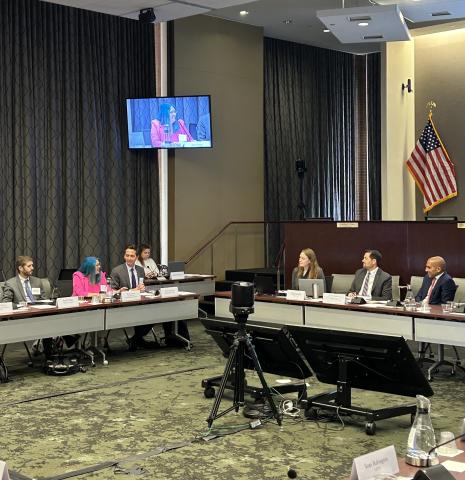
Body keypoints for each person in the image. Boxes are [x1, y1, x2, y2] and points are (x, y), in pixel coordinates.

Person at [110, 244, 157, 351]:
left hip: (140, 301)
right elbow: (113, 292)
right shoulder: (117, 271)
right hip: (124, 304)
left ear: (136, 257)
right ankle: (137, 339)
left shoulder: (140, 270)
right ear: (124, 256)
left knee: (156, 310)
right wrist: (132, 291)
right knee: (143, 312)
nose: (129, 258)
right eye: (127, 255)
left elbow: (141, 287)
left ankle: (136, 339)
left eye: (132, 256)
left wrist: (143, 288)